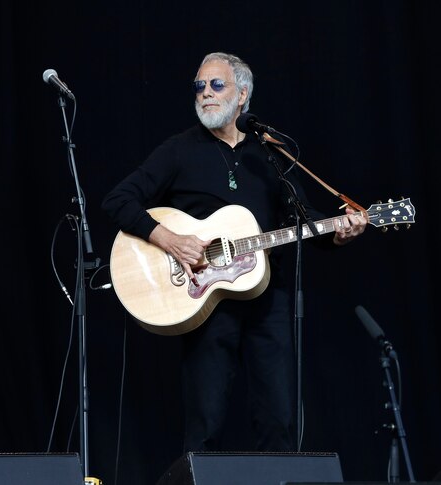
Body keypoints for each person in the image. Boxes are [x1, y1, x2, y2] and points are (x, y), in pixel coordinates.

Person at [102, 52, 366, 452]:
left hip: (268, 300)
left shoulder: (270, 152)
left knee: (280, 419)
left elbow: (304, 218)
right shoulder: (179, 150)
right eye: (199, 86)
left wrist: (338, 234)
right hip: (205, 300)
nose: (205, 93)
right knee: (206, 422)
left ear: (242, 95)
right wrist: (167, 239)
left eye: (216, 85)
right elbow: (118, 200)